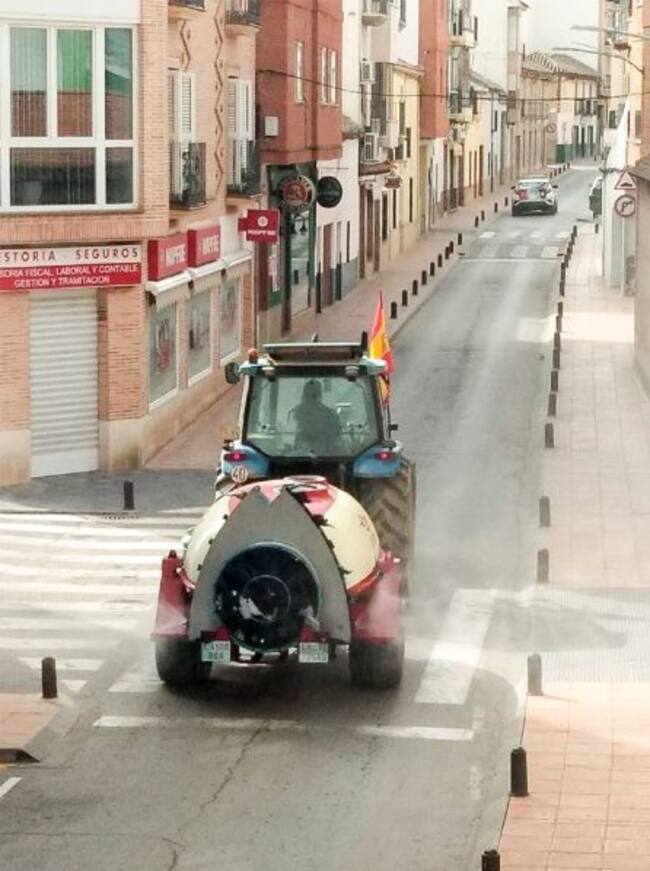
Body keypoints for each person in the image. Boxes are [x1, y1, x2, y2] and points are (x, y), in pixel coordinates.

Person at [290, 379, 341, 454]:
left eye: (314, 394)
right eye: (308, 394)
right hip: (302, 453)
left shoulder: (330, 414)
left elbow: (336, 437)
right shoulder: (297, 412)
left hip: (326, 454)